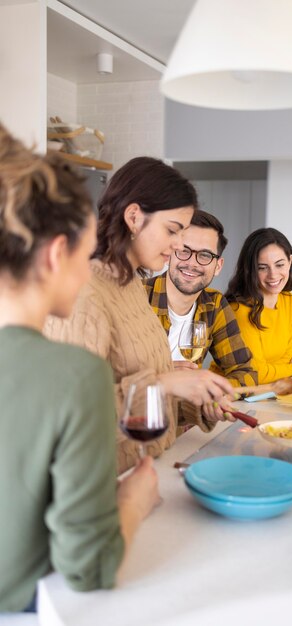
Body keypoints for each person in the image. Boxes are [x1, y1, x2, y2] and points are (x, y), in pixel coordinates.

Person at [0, 125, 159, 613]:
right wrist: (134, 499)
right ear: (54, 255)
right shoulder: (72, 376)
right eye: (84, 251)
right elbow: (90, 568)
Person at [45, 157, 234, 473]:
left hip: (146, 470)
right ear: (134, 216)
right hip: (108, 485)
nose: (176, 247)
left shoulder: (131, 283)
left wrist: (196, 404)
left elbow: (140, 385)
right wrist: (167, 384)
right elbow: (71, 419)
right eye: (172, 231)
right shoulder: (84, 295)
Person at [144, 210, 258, 419]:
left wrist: (213, 391)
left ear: (218, 266)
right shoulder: (137, 297)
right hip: (133, 425)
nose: (192, 263)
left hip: (183, 426)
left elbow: (245, 373)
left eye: (205, 255)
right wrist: (165, 375)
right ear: (170, 253)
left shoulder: (214, 305)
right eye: (184, 250)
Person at [225, 228, 292, 384]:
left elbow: (287, 357)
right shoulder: (239, 309)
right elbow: (255, 372)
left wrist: (282, 368)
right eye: (262, 267)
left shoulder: (289, 301)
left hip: (270, 390)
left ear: (290, 261)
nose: (273, 275)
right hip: (234, 394)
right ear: (250, 269)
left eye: (279, 265)